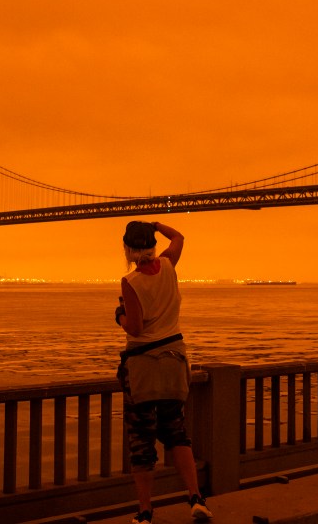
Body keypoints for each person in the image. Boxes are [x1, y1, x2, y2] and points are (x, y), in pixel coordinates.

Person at [114, 220, 212, 523]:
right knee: (176, 432)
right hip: (174, 361)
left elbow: (135, 327)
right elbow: (179, 236)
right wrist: (157, 224)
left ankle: (145, 512)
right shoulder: (169, 265)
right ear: (153, 245)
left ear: (128, 249)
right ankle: (196, 498)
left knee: (142, 440)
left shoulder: (130, 281)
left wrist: (119, 316)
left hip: (143, 368)